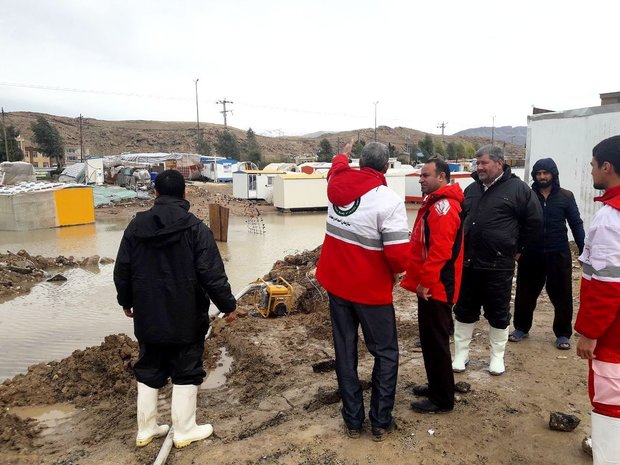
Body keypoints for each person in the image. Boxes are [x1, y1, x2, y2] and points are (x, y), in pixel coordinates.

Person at [114, 169, 236, 449]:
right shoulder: (196, 229)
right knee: (186, 369)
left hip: (148, 316)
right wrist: (228, 306)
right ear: (184, 194)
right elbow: (212, 275)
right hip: (186, 316)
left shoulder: (135, 227)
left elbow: (122, 269)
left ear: (155, 193)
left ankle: (145, 430)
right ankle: (184, 430)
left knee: (148, 367)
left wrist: (126, 300)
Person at [316, 141, 409, 441]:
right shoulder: (389, 202)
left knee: (345, 351)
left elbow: (337, 168)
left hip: (337, 286)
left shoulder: (336, 185)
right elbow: (397, 257)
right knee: (385, 353)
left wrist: (342, 152)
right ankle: (380, 420)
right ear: (386, 167)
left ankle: (353, 421)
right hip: (370, 292)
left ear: (359, 163)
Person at [452, 145, 542, 375]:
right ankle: (461, 355)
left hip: (498, 266)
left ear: (499, 163)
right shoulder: (471, 189)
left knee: (498, 311)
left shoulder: (519, 190)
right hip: (469, 264)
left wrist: (519, 248)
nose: (479, 167)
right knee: (464, 310)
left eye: (483, 163)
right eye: (477, 163)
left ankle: (496, 358)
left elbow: (534, 222)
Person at [401, 158, 464, 413]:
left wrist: (425, 282)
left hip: (436, 287)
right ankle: (436, 385)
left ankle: (442, 399)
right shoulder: (437, 204)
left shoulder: (444, 208)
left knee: (436, 341)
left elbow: (440, 251)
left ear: (442, 177)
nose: (420, 179)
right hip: (431, 285)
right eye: (420, 175)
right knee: (429, 339)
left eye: (425, 175)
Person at [575, 135, 620, 464]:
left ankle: (608, 454)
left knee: (608, 399)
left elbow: (605, 286)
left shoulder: (609, 220)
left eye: (592, 165)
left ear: (607, 167)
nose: (591, 171)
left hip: (613, 335)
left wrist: (590, 332)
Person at [510, 158, 585, 349]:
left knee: (562, 295)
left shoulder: (565, 196)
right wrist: (518, 249)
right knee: (525, 293)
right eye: (538, 173)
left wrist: (584, 250)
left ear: (554, 174)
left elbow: (576, 224)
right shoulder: (528, 195)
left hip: (558, 253)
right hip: (531, 254)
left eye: (546, 173)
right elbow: (517, 224)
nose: (542, 177)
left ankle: (562, 334)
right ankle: (521, 328)